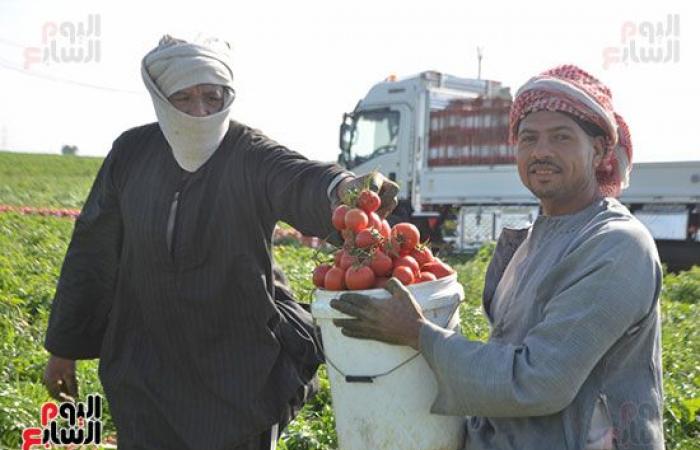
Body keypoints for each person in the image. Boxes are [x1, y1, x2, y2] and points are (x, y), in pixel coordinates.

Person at [42, 35, 398, 450]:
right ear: (159, 98)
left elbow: (301, 178)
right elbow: (93, 253)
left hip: (237, 371)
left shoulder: (248, 153)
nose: (201, 112)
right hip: (145, 371)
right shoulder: (132, 154)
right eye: (185, 98)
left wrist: (344, 189)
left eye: (212, 97)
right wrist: (63, 348)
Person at [332, 65, 665, 450]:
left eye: (561, 137)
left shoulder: (617, 246)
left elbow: (538, 382)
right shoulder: (532, 239)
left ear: (599, 150)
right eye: (529, 138)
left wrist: (419, 333)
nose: (541, 151)